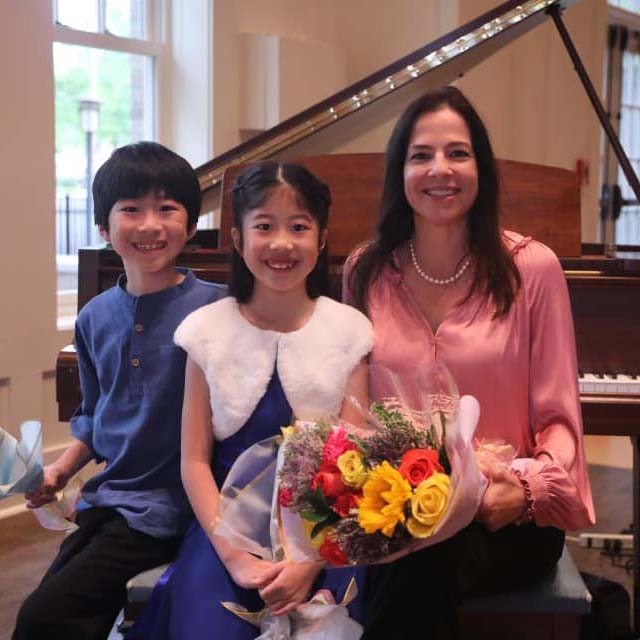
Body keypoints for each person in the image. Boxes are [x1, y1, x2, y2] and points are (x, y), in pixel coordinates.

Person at [345, 86, 595, 639]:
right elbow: (356, 407)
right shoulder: (365, 270)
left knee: (414, 570)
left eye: (458, 153)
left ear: (481, 166)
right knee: (408, 558)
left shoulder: (534, 269)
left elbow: (559, 417)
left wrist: (526, 490)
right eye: (421, 155)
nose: (441, 170)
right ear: (399, 170)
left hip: (505, 513)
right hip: (402, 510)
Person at [128, 161, 373, 639]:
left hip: (329, 534)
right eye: (264, 226)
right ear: (238, 240)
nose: (282, 243)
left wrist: (309, 558)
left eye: (299, 227)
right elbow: (194, 463)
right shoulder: (206, 333)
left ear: (321, 238)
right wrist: (235, 556)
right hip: (227, 529)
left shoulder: (350, 331)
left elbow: (356, 462)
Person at [13, 142, 227, 640]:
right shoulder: (93, 318)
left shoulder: (219, 311)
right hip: (110, 501)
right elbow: (95, 413)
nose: (150, 224)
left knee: (43, 617)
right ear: (105, 230)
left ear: (191, 226)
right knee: (56, 609)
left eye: (167, 209)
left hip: (172, 507)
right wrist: (61, 470)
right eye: (131, 209)